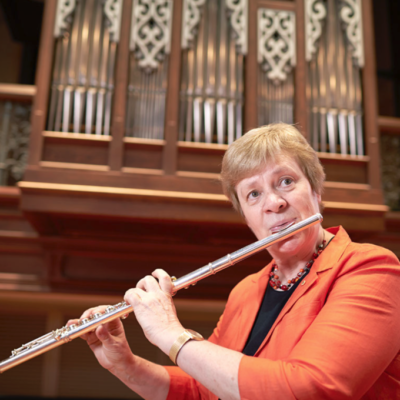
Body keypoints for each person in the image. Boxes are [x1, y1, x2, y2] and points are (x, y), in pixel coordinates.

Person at [70, 123, 400, 399]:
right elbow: (203, 391)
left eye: (286, 181)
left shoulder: (369, 268)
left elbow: (311, 389)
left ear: (316, 191)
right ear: (246, 216)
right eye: (253, 194)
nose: (273, 203)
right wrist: (124, 364)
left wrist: (170, 334)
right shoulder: (246, 291)